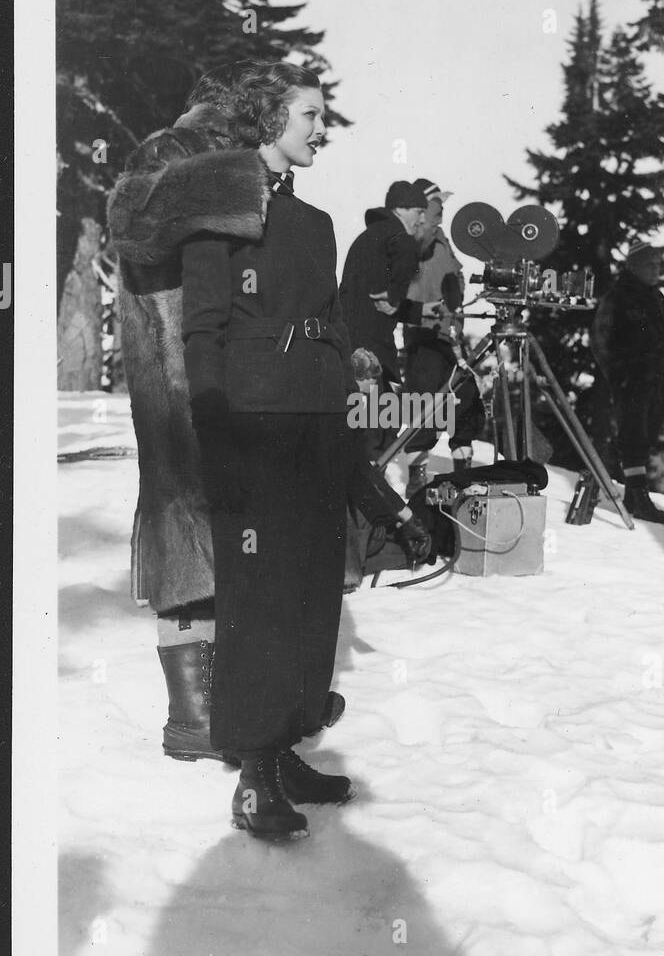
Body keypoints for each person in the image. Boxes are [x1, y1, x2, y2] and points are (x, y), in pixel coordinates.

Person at [109, 63, 427, 770]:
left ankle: (267, 697)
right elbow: (133, 222)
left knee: (249, 538)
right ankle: (195, 712)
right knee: (188, 523)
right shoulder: (175, 153)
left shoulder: (245, 174)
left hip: (234, 369)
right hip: (182, 371)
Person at [180, 61, 368, 841]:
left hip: (317, 414)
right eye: (310, 114)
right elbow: (202, 328)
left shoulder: (318, 223)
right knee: (259, 591)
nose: (322, 128)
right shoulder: (217, 211)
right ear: (267, 119)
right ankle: (253, 772)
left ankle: (286, 742)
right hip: (253, 417)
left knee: (313, 586)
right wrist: (214, 423)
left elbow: (325, 314)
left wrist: (347, 364)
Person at [338, 180, 442, 457]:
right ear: (402, 209)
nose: (422, 219)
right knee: (382, 421)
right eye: (419, 211)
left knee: (367, 416)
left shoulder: (373, 236)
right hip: (373, 346)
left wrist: (419, 310)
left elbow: (377, 300)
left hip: (355, 339)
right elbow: (390, 294)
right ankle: (370, 484)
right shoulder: (399, 236)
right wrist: (397, 297)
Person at [590, 241, 664, 524]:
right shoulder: (617, 297)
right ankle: (638, 497)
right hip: (631, 382)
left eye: (658, 265)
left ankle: (634, 494)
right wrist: (621, 376)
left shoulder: (655, 296)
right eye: (650, 265)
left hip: (656, 380)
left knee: (647, 434)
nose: (657, 270)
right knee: (633, 436)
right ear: (634, 267)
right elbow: (600, 340)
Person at [402, 177, 485, 489]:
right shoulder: (417, 237)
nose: (441, 214)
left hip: (450, 336)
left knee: (465, 401)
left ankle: (462, 470)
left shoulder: (440, 239)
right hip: (424, 337)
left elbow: (455, 276)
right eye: (437, 207)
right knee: (424, 405)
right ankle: (416, 478)